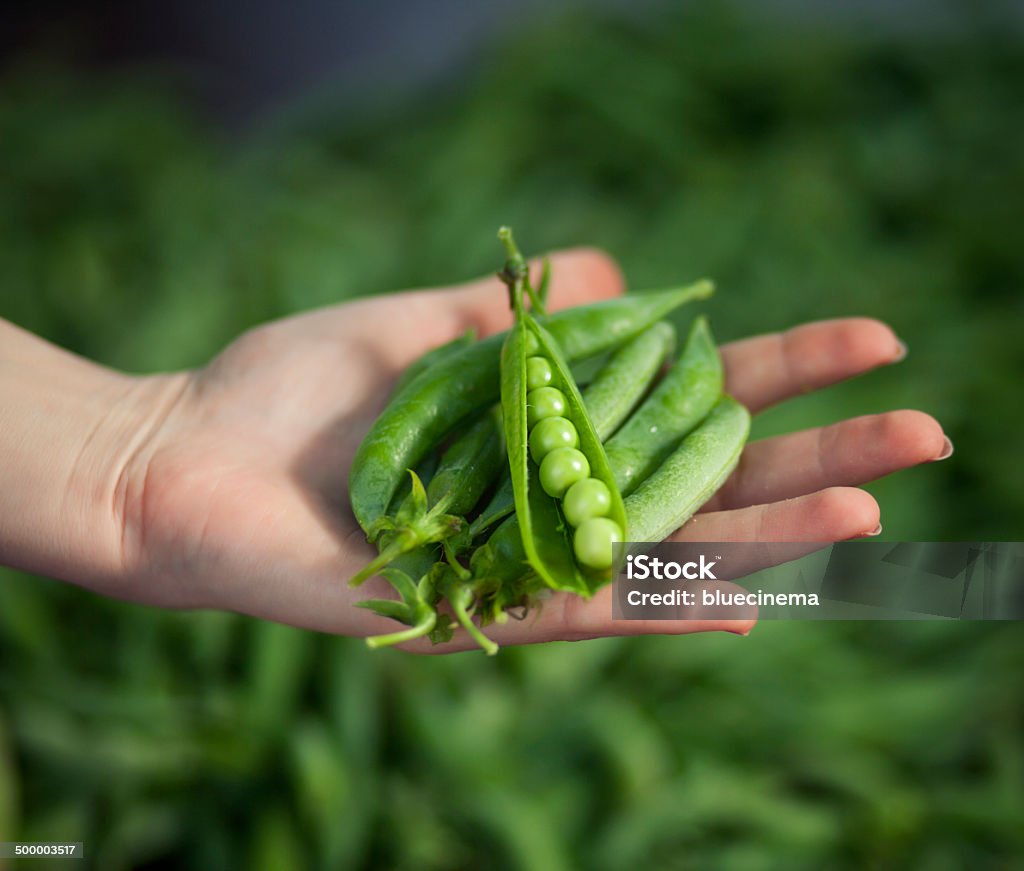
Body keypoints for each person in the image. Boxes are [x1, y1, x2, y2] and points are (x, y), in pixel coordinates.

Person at [0, 249, 950, 651]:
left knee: (634, 415)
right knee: (547, 404)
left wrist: (130, 459)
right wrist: (126, 461)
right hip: (472, 510)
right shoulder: (405, 490)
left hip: (529, 498)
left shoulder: (666, 406)